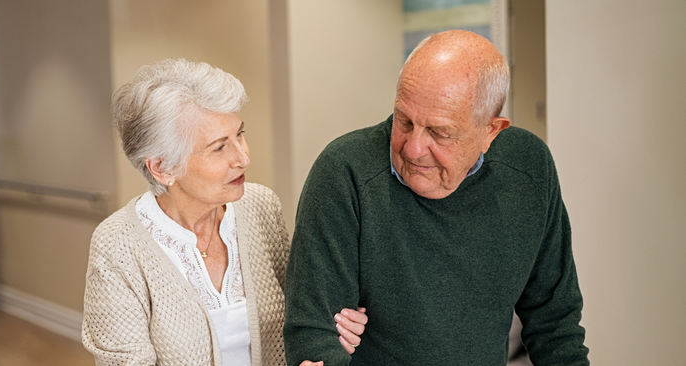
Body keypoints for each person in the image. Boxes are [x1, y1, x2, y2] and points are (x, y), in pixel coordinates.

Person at [282, 30, 589, 365]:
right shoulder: (345, 172)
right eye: (404, 121)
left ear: (491, 131)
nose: (413, 148)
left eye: (439, 133)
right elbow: (314, 335)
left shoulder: (528, 168)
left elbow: (555, 323)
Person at [81, 59, 367, 366]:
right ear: (162, 168)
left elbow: (301, 314)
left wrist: (332, 328)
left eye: (240, 134)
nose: (243, 157)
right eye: (220, 147)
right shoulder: (117, 245)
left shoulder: (260, 207)